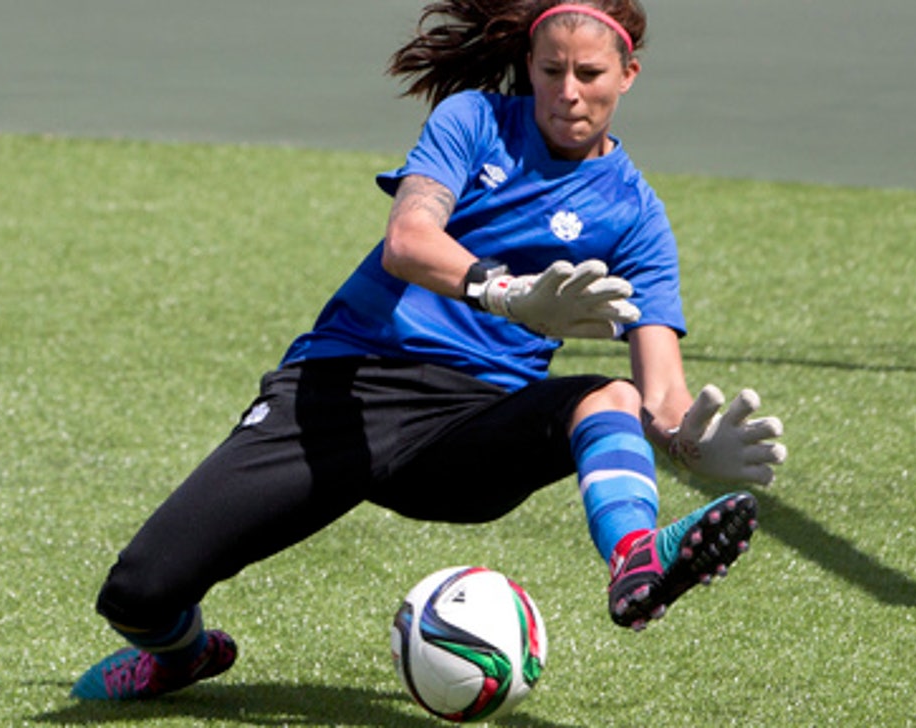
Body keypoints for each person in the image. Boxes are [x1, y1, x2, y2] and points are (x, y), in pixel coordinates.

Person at [70, 0, 788, 701]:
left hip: (467, 430)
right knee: (137, 595)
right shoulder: (474, 120)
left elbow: (659, 393)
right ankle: (185, 657)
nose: (568, 92)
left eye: (591, 75)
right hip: (343, 391)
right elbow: (408, 241)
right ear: (529, 67)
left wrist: (687, 446)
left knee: (608, 395)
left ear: (628, 74)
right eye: (551, 70)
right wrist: (507, 294)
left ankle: (635, 555)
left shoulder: (637, 215)